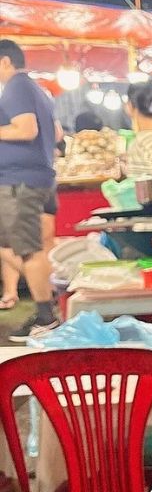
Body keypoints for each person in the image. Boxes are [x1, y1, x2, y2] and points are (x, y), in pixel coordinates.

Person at [0, 39, 60, 339]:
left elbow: (26, 129)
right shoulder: (37, 89)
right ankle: (48, 298)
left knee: (28, 250)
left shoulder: (16, 87)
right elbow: (57, 132)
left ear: (5, 62)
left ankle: (47, 316)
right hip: (39, 179)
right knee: (20, 248)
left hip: (21, 183)